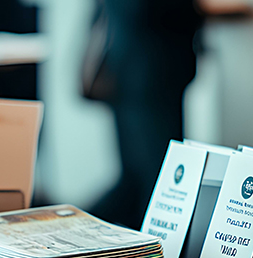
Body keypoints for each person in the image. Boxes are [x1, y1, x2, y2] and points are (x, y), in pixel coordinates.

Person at [82, 0, 203, 229]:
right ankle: (73, 231)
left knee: (137, 181)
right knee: (159, 182)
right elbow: (145, 10)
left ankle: (78, 232)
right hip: (148, 77)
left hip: (133, 70)